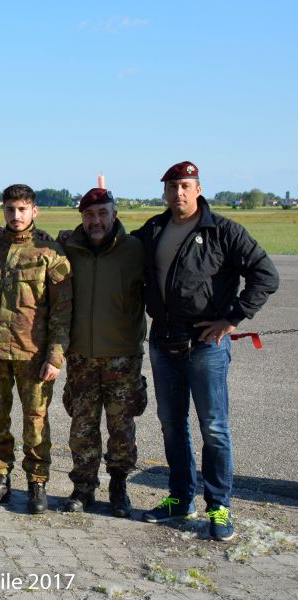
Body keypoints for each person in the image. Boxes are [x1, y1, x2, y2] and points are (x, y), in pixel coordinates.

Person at [136, 161, 278, 541]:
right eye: (172, 187)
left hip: (205, 345)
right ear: (164, 192)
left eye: (185, 185)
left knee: (214, 428)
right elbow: (116, 249)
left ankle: (219, 505)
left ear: (198, 189)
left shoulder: (223, 231)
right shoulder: (153, 229)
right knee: (171, 425)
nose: (178, 193)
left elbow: (266, 274)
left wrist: (233, 318)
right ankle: (181, 498)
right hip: (164, 341)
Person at [0, 183, 72, 514]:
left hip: (33, 355)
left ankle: (38, 483)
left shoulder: (50, 252)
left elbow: (62, 311)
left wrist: (55, 356)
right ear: (3, 210)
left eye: (22, 209)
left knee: (36, 423)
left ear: (34, 211)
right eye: (10, 209)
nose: (16, 216)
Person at [59, 187, 147, 518]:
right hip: (81, 355)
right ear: (82, 217)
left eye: (102, 213)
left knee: (121, 427)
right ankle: (83, 487)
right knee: (82, 426)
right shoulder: (69, 247)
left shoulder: (136, 250)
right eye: (89, 215)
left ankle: (119, 484)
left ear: (114, 214)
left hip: (123, 356)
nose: (96, 221)